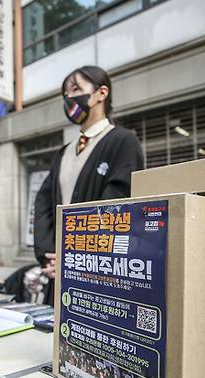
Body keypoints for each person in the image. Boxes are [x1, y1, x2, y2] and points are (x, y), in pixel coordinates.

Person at [33, 65, 143, 304]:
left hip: (99, 274)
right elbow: (43, 205)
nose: (69, 98)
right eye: (65, 93)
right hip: (60, 272)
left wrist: (75, 256)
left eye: (76, 89)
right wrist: (48, 255)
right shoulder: (64, 152)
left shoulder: (123, 142)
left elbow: (117, 205)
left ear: (101, 93)